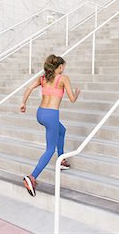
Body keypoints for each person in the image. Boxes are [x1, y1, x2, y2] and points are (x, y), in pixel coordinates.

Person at [20, 54, 81, 197]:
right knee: (49, 150)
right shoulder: (63, 79)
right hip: (51, 115)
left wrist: (23, 103)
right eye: (63, 67)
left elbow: (28, 88)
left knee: (62, 130)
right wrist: (77, 93)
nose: (64, 69)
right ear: (59, 67)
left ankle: (61, 159)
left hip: (40, 113)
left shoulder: (43, 78)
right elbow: (72, 99)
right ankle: (32, 177)